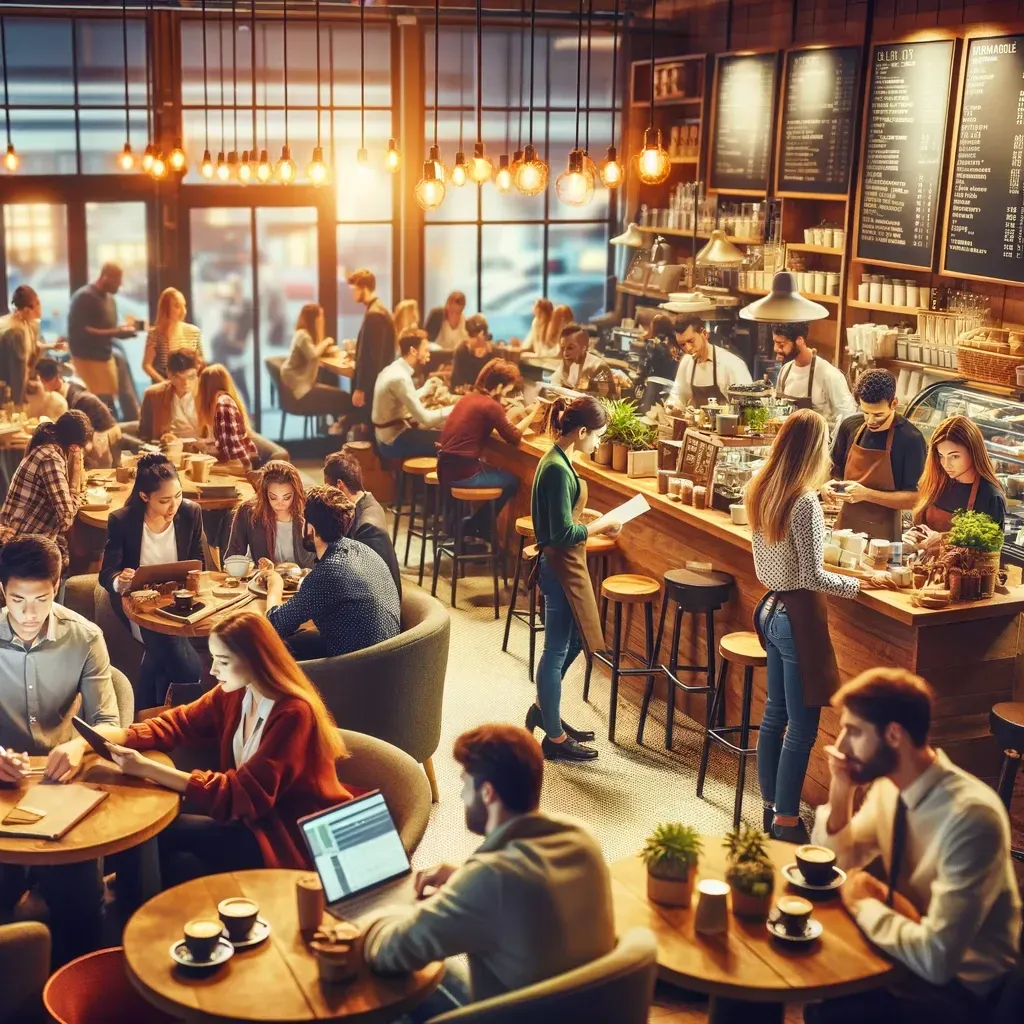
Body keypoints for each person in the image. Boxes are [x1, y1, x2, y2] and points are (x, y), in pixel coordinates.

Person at [804, 668, 1021, 1024]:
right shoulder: (892, 788)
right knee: (802, 961)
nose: (840, 745)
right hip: (908, 952)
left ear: (894, 735)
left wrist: (863, 903)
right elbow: (837, 865)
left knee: (833, 1006)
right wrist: (842, 789)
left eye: (854, 731)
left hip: (960, 992)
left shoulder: (971, 818)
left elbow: (938, 960)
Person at [360, 724, 615, 1017]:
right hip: (571, 1012)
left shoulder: (492, 880)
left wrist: (376, 916)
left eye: (465, 785)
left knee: (379, 986)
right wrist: (462, 881)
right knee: (436, 973)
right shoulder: (583, 840)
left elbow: (389, 953)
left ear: (488, 793)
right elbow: (529, 896)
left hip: (509, 1017)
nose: (461, 797)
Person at [90, 611, 351, 882]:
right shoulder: (237, 692)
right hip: (247, 822)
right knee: (176, 863)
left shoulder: (294, 714)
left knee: (156, 833)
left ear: (255, 661)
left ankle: (92, 890)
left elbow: (243, 795)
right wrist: (121, 735)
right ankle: (107, 899)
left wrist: (149, 769)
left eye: (223, 661)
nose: (212, 670)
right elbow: (181, 722)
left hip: (287, 834)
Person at [746, 409, 887, 843]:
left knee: (774, 715)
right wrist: (860, 583)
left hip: (769, 610)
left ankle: (770, 805)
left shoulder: (761, 485)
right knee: (802, 727)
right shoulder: (803, 501)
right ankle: (787, 820)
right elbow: (813, 578)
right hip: (796, 618)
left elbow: (773, 565)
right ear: (813, 449)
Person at [0, 536, 119, 964]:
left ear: (58, 586)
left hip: (62, 784)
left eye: (41, 599)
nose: (29, 614)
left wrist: (76, 749)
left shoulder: (85, 638)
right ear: (3, 592)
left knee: (83, 909)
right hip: (2, 788)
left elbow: (109, 723)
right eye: (17, 600)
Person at [527, 396, 621, 762]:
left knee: (579, 643)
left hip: (564, 564)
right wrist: (602, 524)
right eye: (597, 436)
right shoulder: (556, 468)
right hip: (560, 567)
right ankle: (553, 737)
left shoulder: (557, 460)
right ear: (581, 431)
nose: (598, 443)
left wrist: (587, 515)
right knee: (554, 652)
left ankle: (544, 710)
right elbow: (563, 533)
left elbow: (562, 515)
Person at [99, 454, 205, 710]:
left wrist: (197, 578)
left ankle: (145, 711)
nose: (174, 507)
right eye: (165, 500)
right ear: (145, 497)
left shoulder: (191, 513)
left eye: (178, 496)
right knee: (185, 664)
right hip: (139, 606)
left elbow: (199, 560)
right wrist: (120, 582)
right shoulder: (123, 521)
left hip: (180, 603)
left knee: (160, 656)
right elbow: (107, 574)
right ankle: (191, 711)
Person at [264, 486, 400, 661]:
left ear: (310, 528)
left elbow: (274, 624)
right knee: (298, 637)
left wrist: (274, 583)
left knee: (268, 646)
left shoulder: (327, 574)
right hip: (388, 657)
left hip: (355, 669)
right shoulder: (362, 549)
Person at [437, 358, 535, 538]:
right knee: (512, 481)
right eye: (508, 388)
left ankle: (471, 525)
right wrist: (535, 412)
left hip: (444, 468)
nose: (508, 393)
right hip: (462, 473)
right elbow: (513, 437)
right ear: (499, 386)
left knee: (493, 471)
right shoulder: (491, 405)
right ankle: (477, 526)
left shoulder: (469, 397)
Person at [826, 368, 927, 542]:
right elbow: (835, 474)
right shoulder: (850, 426)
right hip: (844, 530)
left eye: (878, 414)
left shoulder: (911, 439)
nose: (871, 421)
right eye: (866, 412)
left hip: (884, 537)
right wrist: (827, 486)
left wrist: (867, 494)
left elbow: (915, 499)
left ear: (894, 403)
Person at [137, 349, 287, 466]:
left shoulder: (210, 395)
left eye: (190, 377)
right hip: (171, 459)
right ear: (169, 374)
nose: (185, 384)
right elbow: (144, 437)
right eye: (178, 377)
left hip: (208, 458)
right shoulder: (154, 396)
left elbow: (235, 431)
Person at [0, 411, 90, 574]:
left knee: (70, 547)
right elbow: (66, 519)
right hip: (21, 546)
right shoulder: (50, 459)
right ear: (74, 446)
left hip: (17, 536)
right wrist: (75, 485)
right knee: (82, 554)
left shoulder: (46, 448)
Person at [907, 415, 1007, 556]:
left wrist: (943, 539)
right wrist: (914, 536)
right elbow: (923, 526)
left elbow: (990, 555)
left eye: (954, 456)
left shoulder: (991, 496)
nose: (946, 464)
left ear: (973, 452)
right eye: (941, 456)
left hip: (963, 575)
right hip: (926, 570)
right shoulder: (939, 481)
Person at [323, 449, 401, 595]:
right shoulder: (367, 501)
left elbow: (365, 584)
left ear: (339, 486)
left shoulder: (367, 528)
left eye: (328, 489)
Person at [66, 262, 139, 418]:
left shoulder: (110, 300)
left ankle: (135, 419)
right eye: (117, 281)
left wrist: (122, 330)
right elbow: (82, 331)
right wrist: (116, 332)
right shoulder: (84, 297)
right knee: (101, 408)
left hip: (105, 356)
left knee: (113, 400)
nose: (120, 285)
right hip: (87, 359)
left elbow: (106, 327)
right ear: (105, 277)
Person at [372, 330, 452, 460]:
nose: (428, 354)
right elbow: (426, 419)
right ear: (413, 351)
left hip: (385, 436)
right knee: (450, 440)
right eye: (425, 350)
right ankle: (430, 480)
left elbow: (403, 398)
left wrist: (426, 388)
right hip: (392, 442)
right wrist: (455, 408)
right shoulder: (400, 378)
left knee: (439, 435)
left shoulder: (393, 369)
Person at [226, 460, 316, 571]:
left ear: (296, 493)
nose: (280, 503)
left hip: (306, 582)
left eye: (287, 497)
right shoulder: (249, 512)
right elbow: (233, 558)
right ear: (264, 494)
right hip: (262, 582)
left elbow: (324, 558)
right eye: (273, 497)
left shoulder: (311, 511)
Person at [36, 357, 121, 469]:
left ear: (54, 378)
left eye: (41, 380)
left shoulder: (74, 397)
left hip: (102, 432)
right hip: (93, 433)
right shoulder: (62, 392)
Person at [772, 322, 856, 433]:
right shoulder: (785, 371)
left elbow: (848, 418)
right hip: (791, 443)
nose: (776, 349)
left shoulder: (829, 375)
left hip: (822, 445)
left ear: (799, 340)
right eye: (775, 343)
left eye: (781, 345)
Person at [666, 313, 752, 410]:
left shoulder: (732, 363)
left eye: (691, 341)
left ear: (704, 334)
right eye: (682, 345)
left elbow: (748, 404)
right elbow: (678, 396)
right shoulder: (686, 362)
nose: (688, 348)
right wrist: (672, 407)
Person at [280, 303, 349, 420]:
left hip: (299, 384)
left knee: (332, 383)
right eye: (320, 316)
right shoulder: (302, 335)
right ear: (313, 318)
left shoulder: (303, 334)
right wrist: (326, 341)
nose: (322, 319)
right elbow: (313, 355)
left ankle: (336, 425)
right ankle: (339, 427)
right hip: (301, 388)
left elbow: (311, 354)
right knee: (344, 397)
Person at [348, 269, 396, 426]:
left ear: (364, 288)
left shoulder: (374, 314)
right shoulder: (377, 309)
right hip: (377, 382)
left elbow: (372, 357)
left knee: (370, 430)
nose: (353, 294)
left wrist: (361, 389)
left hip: (374, 385)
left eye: (354, 289)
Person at [0, 285, 61, 405]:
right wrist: (18, 404)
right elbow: (18, 371)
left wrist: (51, 346)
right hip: (7, 390)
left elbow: (31, 348)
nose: (40, 307)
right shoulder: (16, 331)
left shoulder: (26, 323)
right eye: (37, 303)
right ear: (28, 309)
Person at [196, 363, 260, 474]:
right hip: (238, 465)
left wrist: (205, 468)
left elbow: (237, 465)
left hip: (243, 471)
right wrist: (206, 445)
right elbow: (226, 445)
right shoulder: (222, 402)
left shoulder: (223, 406)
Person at [142, 287, 203, 384]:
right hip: (163, 387)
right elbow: (146, 365)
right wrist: (164, 384)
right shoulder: (155, 334)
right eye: (177, 306)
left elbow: (201, 362)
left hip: (189, 387)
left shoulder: (193, 332)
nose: (183, 310)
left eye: (184, 306)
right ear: (166, 309)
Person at [548, 324, 611, 391]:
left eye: (570, 348)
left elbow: (601, 397)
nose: (565, 353)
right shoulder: (566, 363)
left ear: (583, 348)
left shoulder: (599, 367)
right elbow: (555, 384)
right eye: (563, 348)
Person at [450, 314, 495, 393]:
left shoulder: (492, 351)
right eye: (474, 337)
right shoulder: (461, 351)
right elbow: (457, 383)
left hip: (488, 393)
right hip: (464, 393)